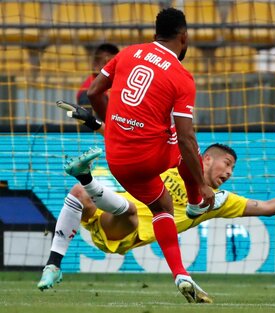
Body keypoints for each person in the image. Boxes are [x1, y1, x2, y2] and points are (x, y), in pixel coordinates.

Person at [44, 7, 219, 303]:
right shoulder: (182, 76)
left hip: (118, 159)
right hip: (150, 156)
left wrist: (110, 127)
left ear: (155, 35)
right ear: (184, 37)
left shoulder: (128, 53)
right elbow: (188, 138)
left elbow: (95, 92)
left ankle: (180, 272)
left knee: (160, 204)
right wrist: (202, 184)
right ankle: (194, 204)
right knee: (183, 142)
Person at [38, 144, 275, 297]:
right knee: (79, 192)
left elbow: (265, 207)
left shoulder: (216, 200)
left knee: (129, 212)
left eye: (233, 169)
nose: (229, 173)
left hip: (123, 233)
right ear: (206, 159)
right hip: (109, 209)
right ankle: (53, 265)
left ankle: (87, 176)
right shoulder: (173, 160)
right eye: (227, 164)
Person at [76, 43, 120, 108]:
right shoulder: (87, 94)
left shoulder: (112, 86)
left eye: (115, 64)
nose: (112, 68)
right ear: (95, 65)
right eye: (107, 63)